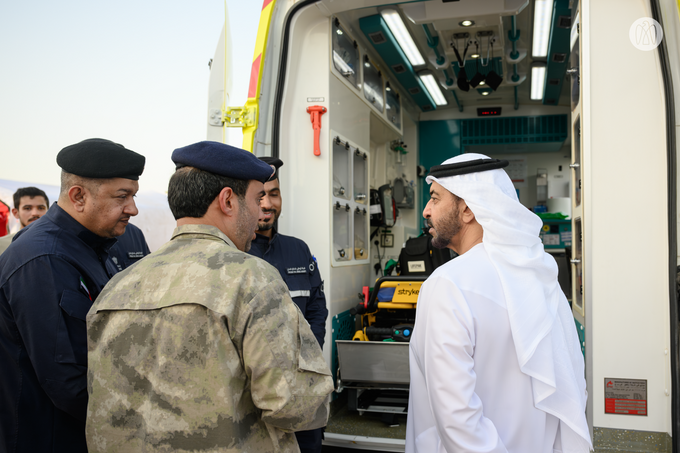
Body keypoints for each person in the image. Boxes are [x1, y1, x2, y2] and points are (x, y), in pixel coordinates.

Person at [86, 141, 334, 453]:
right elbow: (296, 404)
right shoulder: (251, 278)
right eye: (257, 198)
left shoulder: (119, 285)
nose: (262, 210)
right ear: (228, 200)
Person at [405, 153, 592, 453]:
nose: (426, 210)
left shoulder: (447, 285)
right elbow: (570, 394)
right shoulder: (541, 277)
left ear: (466, 209)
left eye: (435, 198)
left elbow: (458, 422)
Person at [0, 138, 145, 453]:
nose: (132, 209)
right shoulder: (45, 258)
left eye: (133, 196)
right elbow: (69, 381)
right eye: (122, 196)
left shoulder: (81, 247)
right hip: (47, 438)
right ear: (78, 195)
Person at [248, 157, 328, 453]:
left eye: (274, 194)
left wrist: (306, 356)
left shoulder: (298, 249)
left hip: (301, 392)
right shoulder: (230, 254)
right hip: (253, 399)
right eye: (260, 195)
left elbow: (317, 308)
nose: (268, 204)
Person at [0, 186, 49, 254]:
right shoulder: (2, 245)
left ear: (48, 211)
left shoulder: (59, 243)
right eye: (27, 208)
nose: (35, 213)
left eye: (41, 208)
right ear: (15, 213)